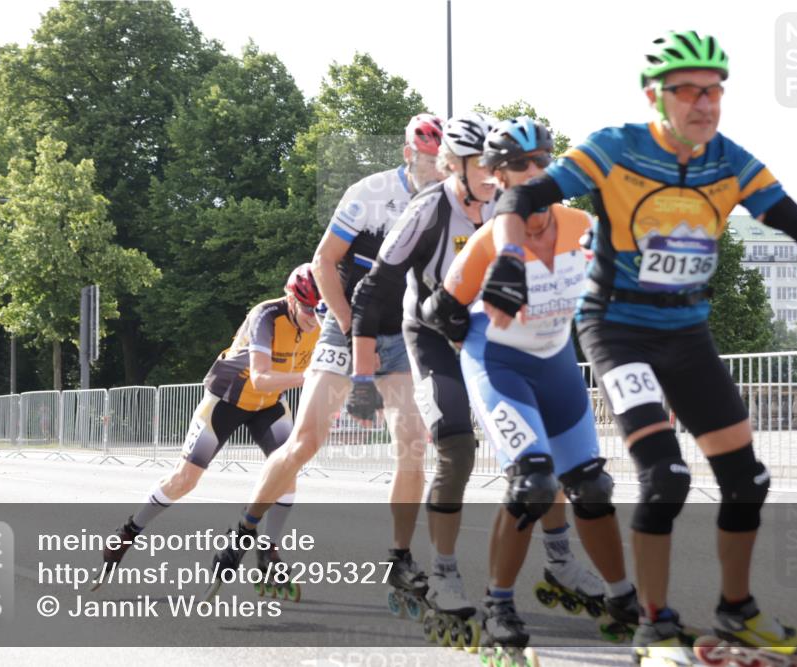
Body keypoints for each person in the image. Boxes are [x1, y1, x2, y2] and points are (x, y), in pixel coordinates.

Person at [483, 30, 797, 665]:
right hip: (618, 331)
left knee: (747, 479)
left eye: (715, 91)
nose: (705, 104)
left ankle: (737, 615)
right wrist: (510, 258)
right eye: (689, 91)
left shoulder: (729, 159)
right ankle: (654, 626)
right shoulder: (615, 148)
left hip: (687, 333)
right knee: (665, 476)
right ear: (656, 96)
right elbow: (522, 195)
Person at [350, 112, 605, 631]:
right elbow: (374, 287)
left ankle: (559, 560)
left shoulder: (517, 199)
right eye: (478, 167)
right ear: (453, 165)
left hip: (493, 334)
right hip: (432, 335)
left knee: (544, 451)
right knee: (456, 447)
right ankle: (443, 571)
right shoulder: (428, 210)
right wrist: (361, 375)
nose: (493, 177)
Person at [424, 117, 639, 652]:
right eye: (521, 165)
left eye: (544, 160)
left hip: (556, 362)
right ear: (497, 178)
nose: (536, 171)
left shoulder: (580, 224)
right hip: (499, 365)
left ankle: (622, 596)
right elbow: (439, 310)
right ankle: (499, 604)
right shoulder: (485, 242)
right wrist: (461, 342)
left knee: (590, 485)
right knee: (533, 484)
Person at [209, 114, 446, 593]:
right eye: (426, 162)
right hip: (344, 326)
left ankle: (399, 558)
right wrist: (348, 327)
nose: (435, 172)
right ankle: (244, 530)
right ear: (407, 155)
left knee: (413, 447)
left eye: (442, 164)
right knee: (306, 442)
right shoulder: (370, 193)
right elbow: (323, 262)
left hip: (399, 335)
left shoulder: (448, 202)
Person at [96, 264, 322, 591]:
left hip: (268, 405)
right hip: (227, 401)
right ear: (290, 298)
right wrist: (311, 377)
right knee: (184, 480)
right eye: (307, 309)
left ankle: (269, 550)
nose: (314, 318)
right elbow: (260, 377)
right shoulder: (266, 317)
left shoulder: (324, 320)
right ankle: (129, 530)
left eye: (320, 309)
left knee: (289, 467)